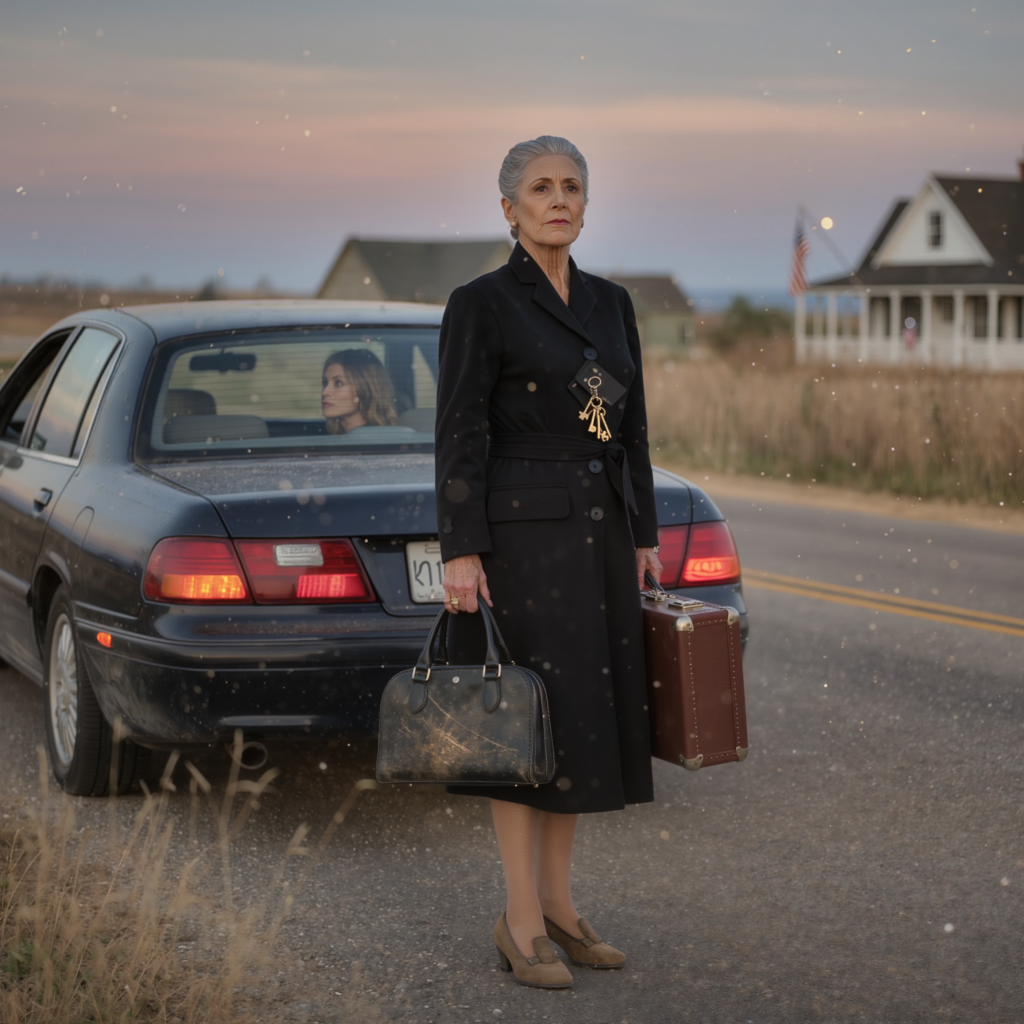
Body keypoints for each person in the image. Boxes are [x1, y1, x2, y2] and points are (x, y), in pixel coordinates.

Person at [434, 136, 663, 989]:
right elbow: (459, 430)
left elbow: (629, 426)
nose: (558, 199)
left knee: (580, 720)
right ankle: (520, 919)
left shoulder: (611, 304)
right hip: (524, 536)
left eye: (572, 186)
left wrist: (641, 531)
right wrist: (462, 547)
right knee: (523, 726)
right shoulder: (483, 302)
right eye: (540, 188)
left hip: (601, 533)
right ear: (509, 208)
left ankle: (563, 909)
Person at [321, 349, 398, 433]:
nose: (324, 392)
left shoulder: (377, 442)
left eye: (338, 383)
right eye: (325, 383)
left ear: (363, 390)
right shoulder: (341, 438)